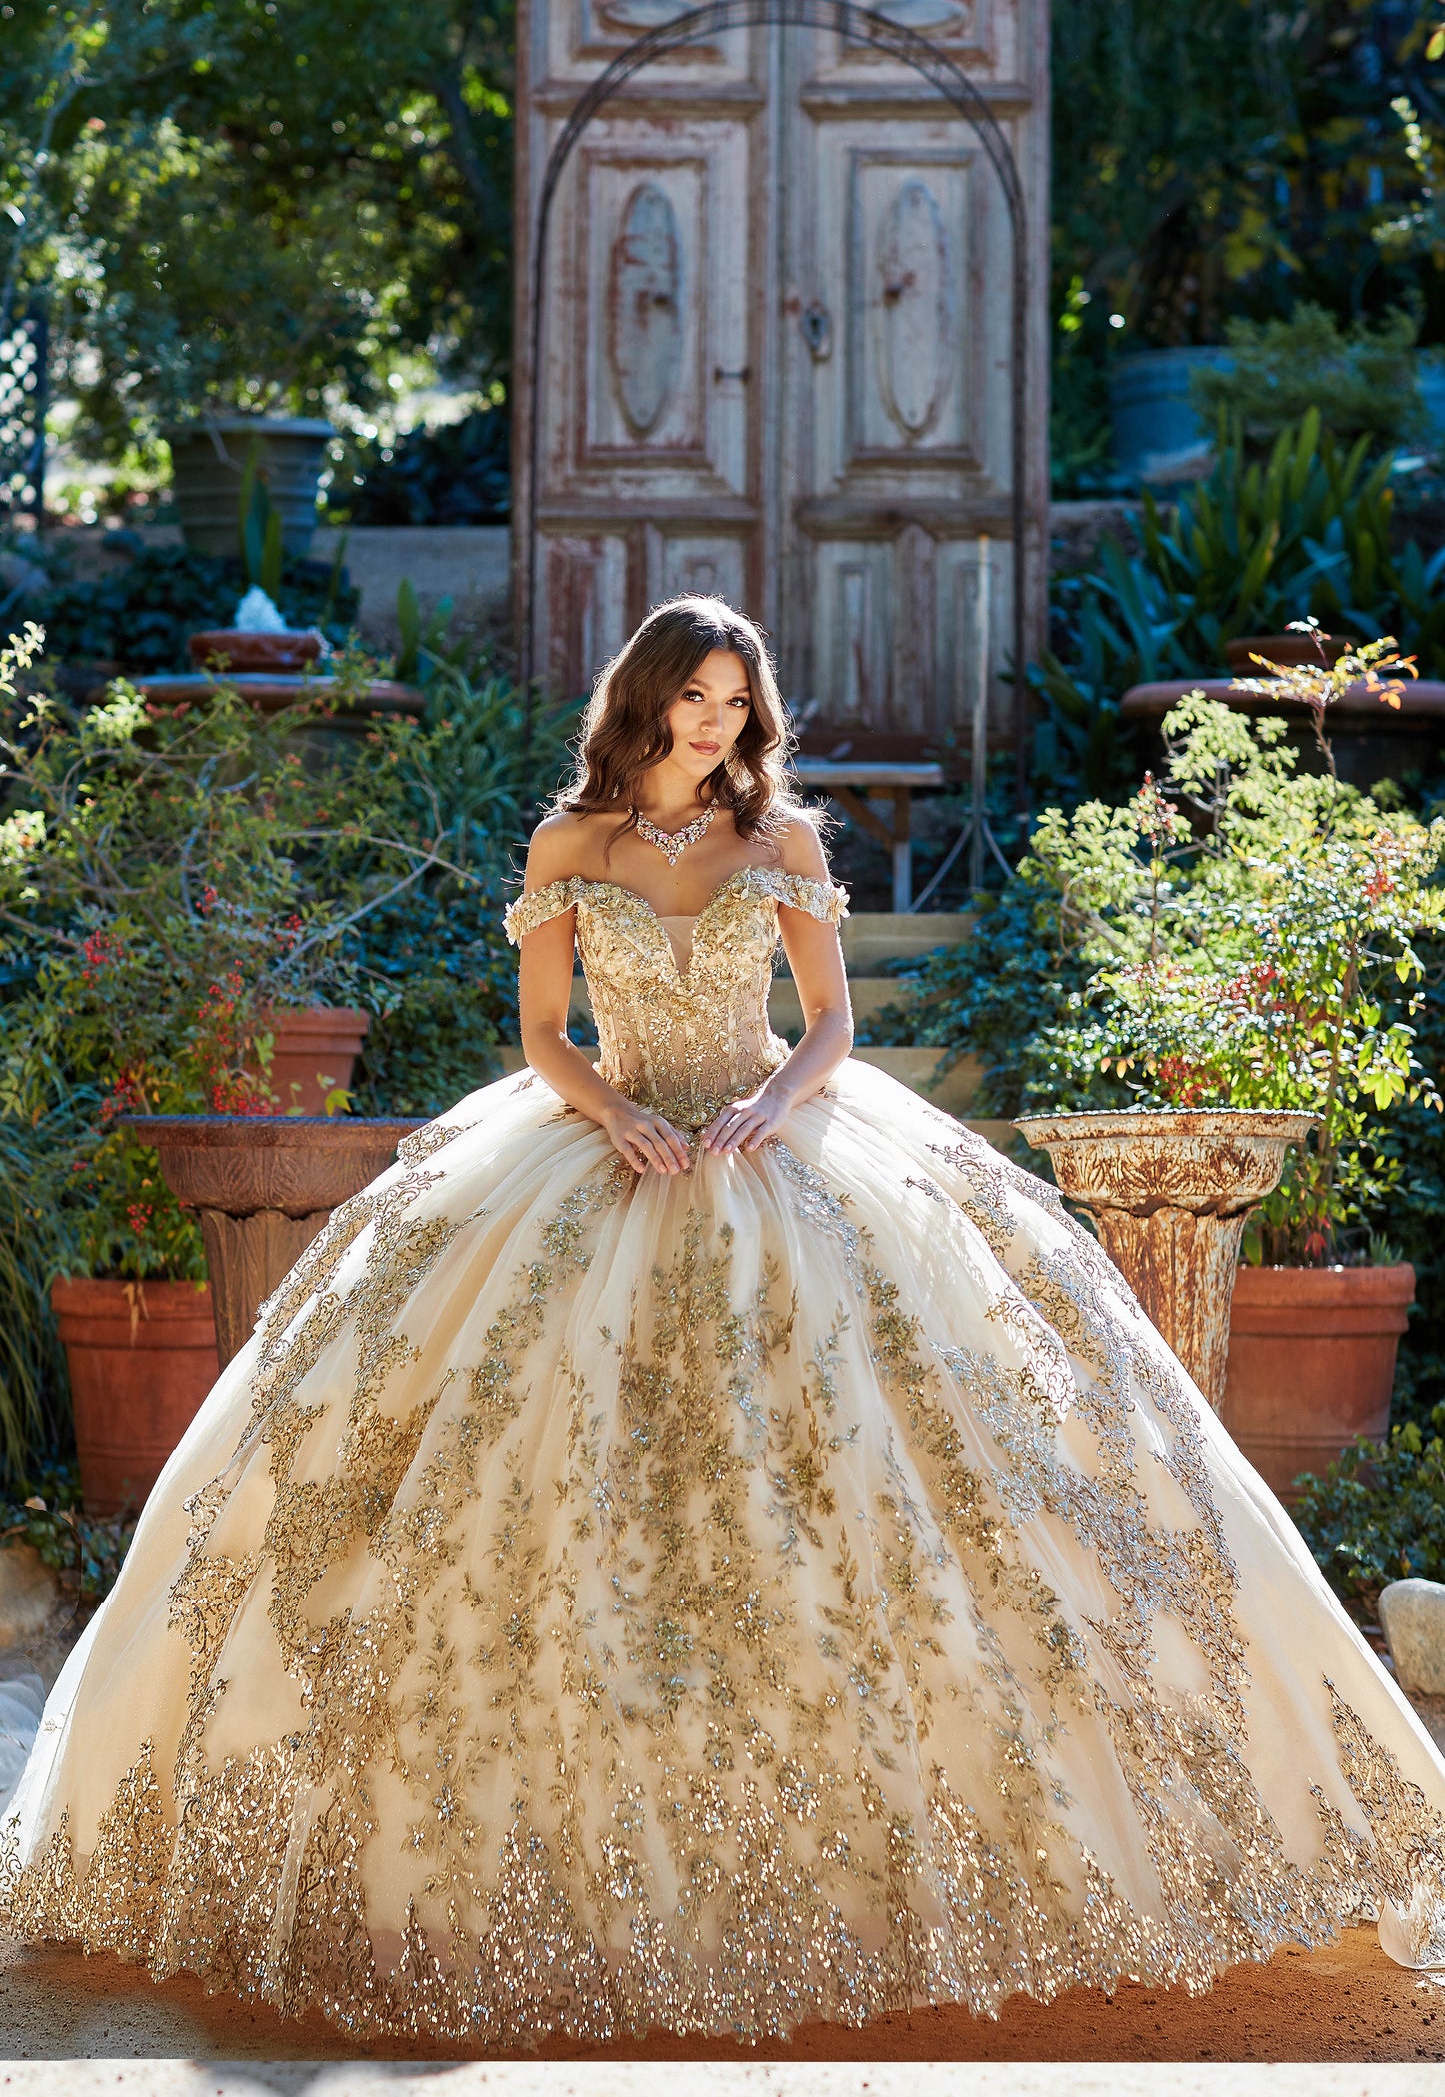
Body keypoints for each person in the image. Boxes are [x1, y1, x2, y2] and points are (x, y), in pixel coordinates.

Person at [4, 593, 1444, 2049]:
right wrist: (620, 1115)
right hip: (604, 1148)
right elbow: (542, 1038)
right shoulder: (571, 846)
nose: (718, 723)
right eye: (694, 697)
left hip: (774, 1146)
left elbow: (831, 1025)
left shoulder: (785, 845)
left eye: (736, 703)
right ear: (644, 702)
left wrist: (770, 1098)